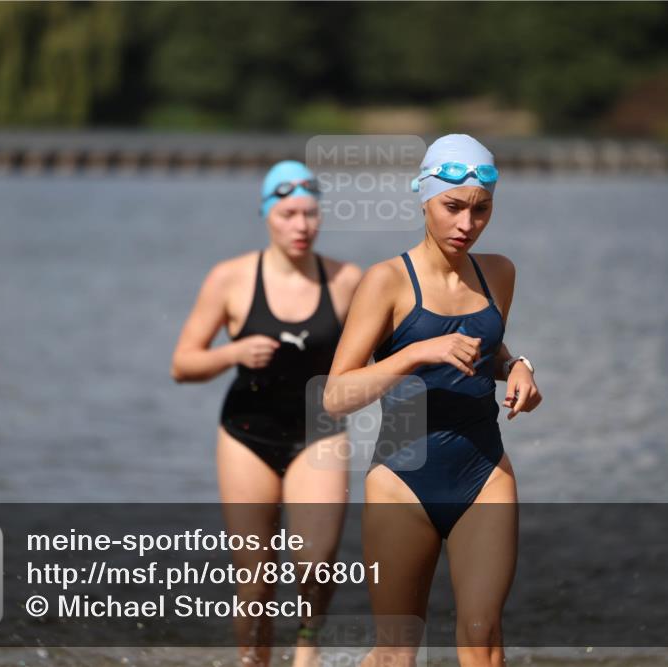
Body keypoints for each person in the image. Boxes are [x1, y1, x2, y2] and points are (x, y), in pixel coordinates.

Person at [323, 135, 542, 667]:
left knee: (483, 638)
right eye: (453, 207)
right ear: (423, 197)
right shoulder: (386, 281)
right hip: (403, 478)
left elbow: (484, 352)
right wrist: (416, 352)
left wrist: (516, 367)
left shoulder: (499, 273)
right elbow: (335, 395)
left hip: (484, 471)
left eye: (481, 209)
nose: (467, 224)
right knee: (397, 653)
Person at [171, 160, 363, 667]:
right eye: (289, 214)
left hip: (320, 431)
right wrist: (232, 354)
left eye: (310, 214)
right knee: (254, 579)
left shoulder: (347, 281)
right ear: (267, 215)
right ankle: (253, 662)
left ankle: (306, 650)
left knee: (317, 564)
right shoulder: (230, 279)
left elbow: (380, 359)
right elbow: (182, 364)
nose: (301, 226)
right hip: (246, 434)